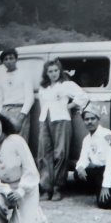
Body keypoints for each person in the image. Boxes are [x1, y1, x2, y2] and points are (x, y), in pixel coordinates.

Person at [37, 59, 88, 201]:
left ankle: (58, 187)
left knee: (60, 153)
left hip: (61, 119)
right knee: (44, 153)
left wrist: (69, 106)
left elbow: (83, 96)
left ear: (59, 71)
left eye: (55, 71)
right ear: (46, 73)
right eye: (50, 71)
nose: (53, 74)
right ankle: (46, 187)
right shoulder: (44, 87)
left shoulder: (66, 85)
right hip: (44, 120)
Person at [0, 48, 34, 142]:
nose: (9, 61)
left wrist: (22, 115)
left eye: (11, 58)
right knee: (5, 140)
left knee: (20, 140)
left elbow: (30, 98)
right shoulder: (0, 77)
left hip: (20, 111)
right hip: (5, 111)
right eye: (6, 59)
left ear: (16, 59)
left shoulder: (25, 74)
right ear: (2, 62)